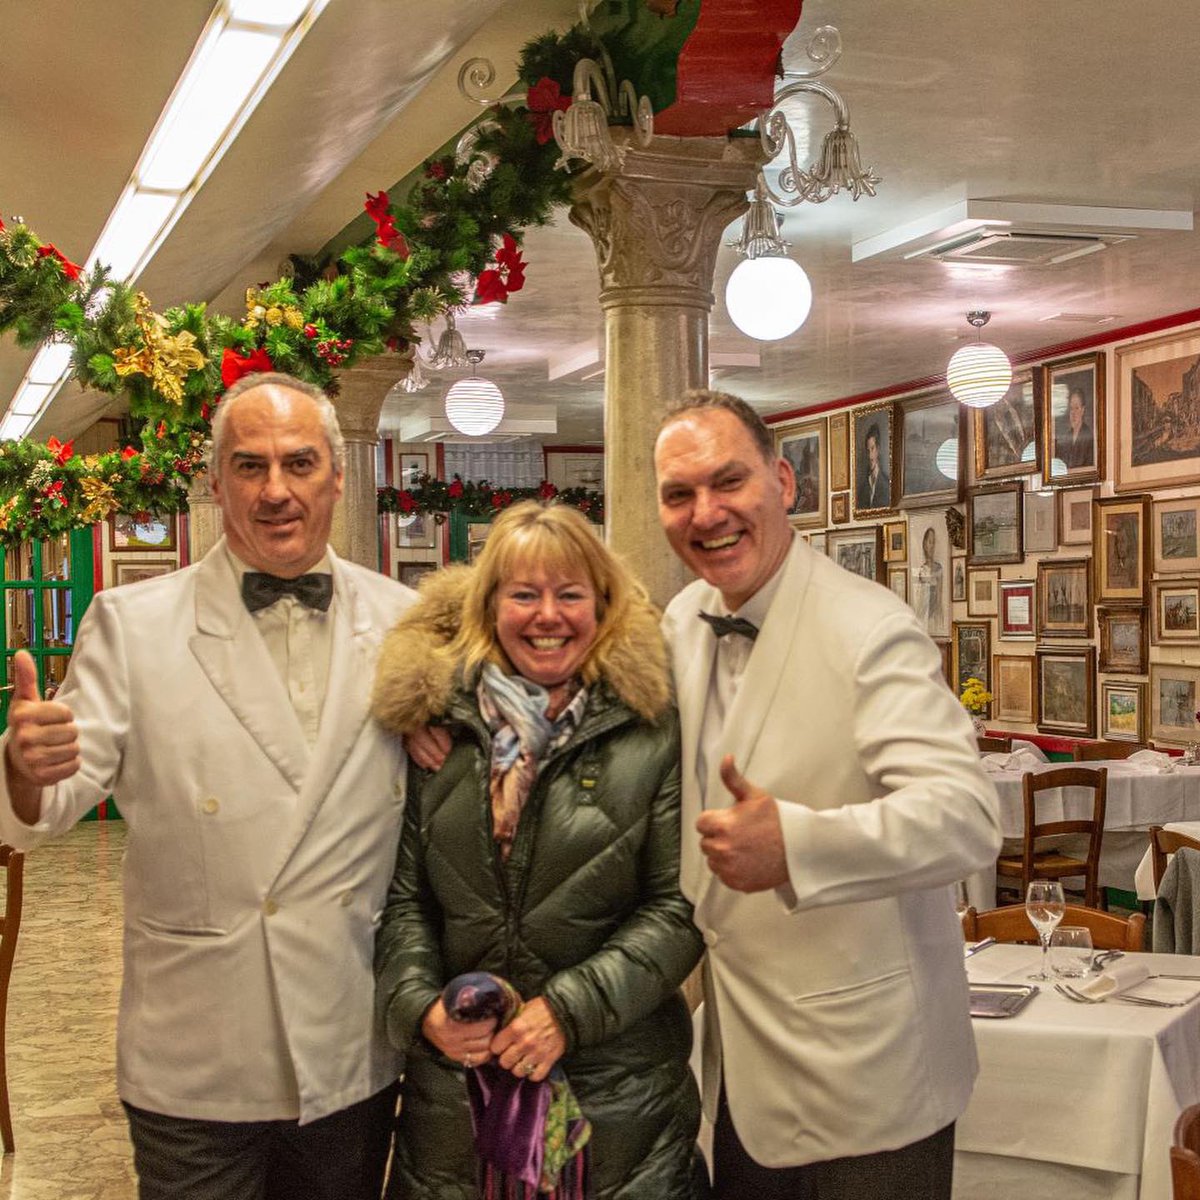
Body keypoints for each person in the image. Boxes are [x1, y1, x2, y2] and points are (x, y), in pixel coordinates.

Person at [0, 372, 415, 1199]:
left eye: (299, 464)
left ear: (338, 476)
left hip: (349, 1043)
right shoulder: (134, 625)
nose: (275, 491)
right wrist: (21, 770)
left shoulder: (407, 622)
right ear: (215, 482)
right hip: (196, 1053)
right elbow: (46, 810)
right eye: (248, 466)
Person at [653, 389, 1002, 1200]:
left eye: (728, 481)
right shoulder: (682, 618)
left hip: (872, 1074)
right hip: (742, 1064)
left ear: (783, 482)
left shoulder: (868, 627)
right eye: (680, 494)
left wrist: (798, 846)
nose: (707, 513)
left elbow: (966, 815)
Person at [371, 501, 703, 1200]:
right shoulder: (441, 728)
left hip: (619, 1103)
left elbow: (679, 907)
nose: (546, 615)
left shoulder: (655, 726)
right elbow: (405, 902)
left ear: (602, 605)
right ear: (490, 607)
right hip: (455, 1101)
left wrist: (567, 1012)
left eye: (569, 594)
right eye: (523, 594)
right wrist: (420, 1006)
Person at [913, 524, 946, 638]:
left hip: (935, 614)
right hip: (924, 615)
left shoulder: (939, 568)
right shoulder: (921, 569)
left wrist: (938, 612)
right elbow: (919, 598)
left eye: (933, 542)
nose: (932, 546)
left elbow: (940, 596)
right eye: (929, 542)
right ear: (924, 544)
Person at [1057, 386, 1093, 469]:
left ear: (1083, 410)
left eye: (1076, 408)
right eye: (1071, 408)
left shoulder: (1088, 436)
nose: (1073, 413)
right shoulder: (1066, 437)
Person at [855, 420, 889, 509]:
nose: (870, 456)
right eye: (868, 450)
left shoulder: (887, 485)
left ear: (878, 449)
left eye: (872, 449)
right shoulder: (862, 489)